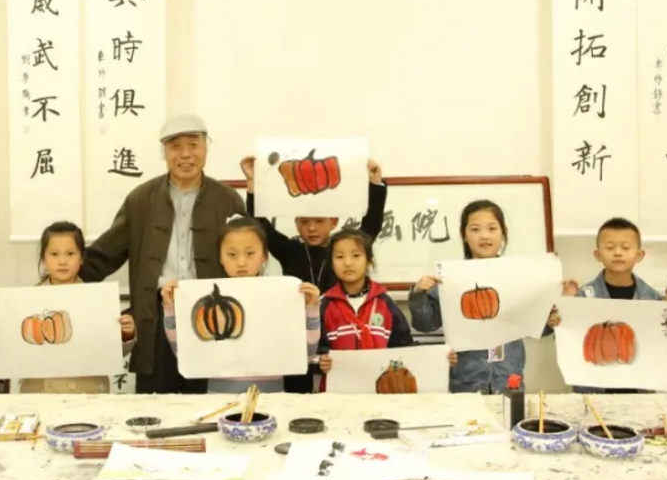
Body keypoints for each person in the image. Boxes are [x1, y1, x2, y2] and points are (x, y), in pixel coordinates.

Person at [79, 114, 246, 394]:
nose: (185, 154)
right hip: (155, 313)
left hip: (211, 310)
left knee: (206, 394)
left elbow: (250, 255)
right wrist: (59, 285)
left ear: (206, 147)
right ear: (164, 152)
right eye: (175, 146)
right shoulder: (141, 199)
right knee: (155, 399)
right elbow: (105, 254)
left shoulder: (227, 199)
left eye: (193, 145)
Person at [240, 153, 386, 393]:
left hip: (337, 337)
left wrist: (375, 184)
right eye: (304, 221)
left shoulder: (342, 250)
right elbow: (261, 227)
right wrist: (253, 184)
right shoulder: (291, 251)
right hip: (298, 339)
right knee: (297, 396)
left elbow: (371, 225)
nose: (311, 228)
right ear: (296, 223)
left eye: (319, 221)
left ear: (333, 221)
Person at [408, 199, 563, 393]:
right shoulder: (452, 278)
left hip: (509, 380)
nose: (484, 236)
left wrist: (550, 321)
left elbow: (535, 327)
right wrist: (419, 294)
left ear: (503, 232)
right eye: (475, 229)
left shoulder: (519, 277)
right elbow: (425, 325)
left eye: (492, 228)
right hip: (466, 382)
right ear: (463, 235)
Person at [160, 217, 321, 394]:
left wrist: (311, 309)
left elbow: (306, 353)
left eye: (250, 253)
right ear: (220, 258)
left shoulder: (283, 297)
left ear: (264, 256)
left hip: (272, 397)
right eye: (232, 255)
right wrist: (170, 308)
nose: (241, 262)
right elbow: (184, 351)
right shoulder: (203, 299)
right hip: (218, 397)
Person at [315, 229, 457, 391]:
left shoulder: (385, 304)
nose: (348, 263)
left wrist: (439, 357)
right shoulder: (324, 305)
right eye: (340, 257)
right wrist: (321, 361)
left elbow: (404, 349)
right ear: (331, 263)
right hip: (337, 394)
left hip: (381, 393)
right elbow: (315, 351)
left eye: (356, 255)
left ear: (369, 260)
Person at [15, 221, 136, 394]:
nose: (62, 261)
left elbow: (110, 352)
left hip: (88, 391)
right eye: (54, 254)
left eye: (70, 254)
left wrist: (126, 334)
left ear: (81, 258)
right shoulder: (26, 301)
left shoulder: (98, 299)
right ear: (43, 259)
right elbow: (11, 351)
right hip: (39, 393)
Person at [573, 217, 667, 394]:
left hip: (639, 388)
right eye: (610, 247)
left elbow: (661, 344)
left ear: (639, 255)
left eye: (626, 248)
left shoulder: (652, 298)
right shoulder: (584, 296)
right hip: (595, 388)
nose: (618, 253)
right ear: (598, 254)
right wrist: (562, 313)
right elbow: (568, 339)